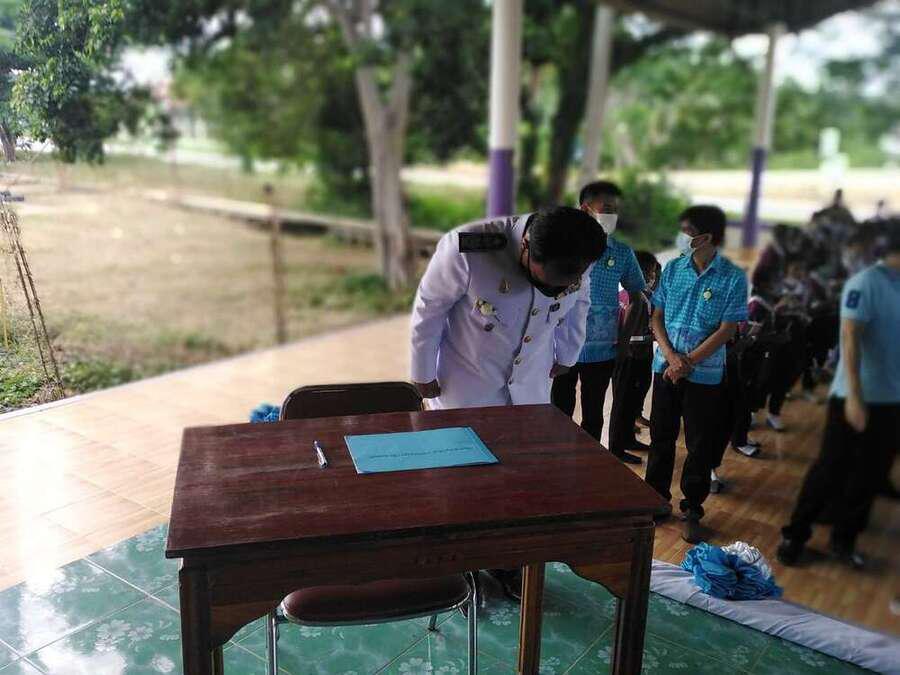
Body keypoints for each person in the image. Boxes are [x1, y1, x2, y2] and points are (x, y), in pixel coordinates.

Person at [410, 205, 607, 600]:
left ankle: (509, 563)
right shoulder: (469, 247)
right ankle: (458, 566)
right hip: (467, 385)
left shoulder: (579, 250)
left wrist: (568, 355)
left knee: (519, 482)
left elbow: (579, 305)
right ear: (526, 248)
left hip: (530, 388)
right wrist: (422, 373)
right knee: (461, 482)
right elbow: (429, 310)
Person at [778, 221, 900, 570]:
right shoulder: (866, 283)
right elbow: (849, 337)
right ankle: (796, 534)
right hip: (854, 396)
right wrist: (856, 398)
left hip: (892, 400)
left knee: (871, 474)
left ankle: (844, 539)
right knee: (830, 468)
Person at [644, 205, 749, 544]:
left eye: (686, 231)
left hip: (704, 375)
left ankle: (692, 508)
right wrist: (671, 357)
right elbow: (656, 316)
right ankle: (655, 499)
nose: (681, 236)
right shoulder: (673, 269)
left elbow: (727, 329)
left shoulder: (733, 277)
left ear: (706, 237)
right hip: (665, 368)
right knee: (661, 436)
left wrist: (687, 362)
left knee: (700, 444)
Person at [551, 181, 646, 460]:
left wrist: (623, 341)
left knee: (593, 414)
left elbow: (638, 297)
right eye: (607, 208)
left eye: (615, 210)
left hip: (603, 351)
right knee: (559, 410)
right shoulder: (564, 248)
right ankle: (556, 461)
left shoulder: (621, 252)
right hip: (560, 347)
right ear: (586, 209)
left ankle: (588, 464)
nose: (612, 215)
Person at [608, 251, 659, 465]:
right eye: (649, 272)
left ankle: (628, 439)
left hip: (639, 355)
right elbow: (628, 333)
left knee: (632, 402)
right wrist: (652, 336)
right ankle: (616, 448)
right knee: (622, 404)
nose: (652, 277)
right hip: (630, 356)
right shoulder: (633, 297)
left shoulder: (641, 296)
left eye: (653, 273)